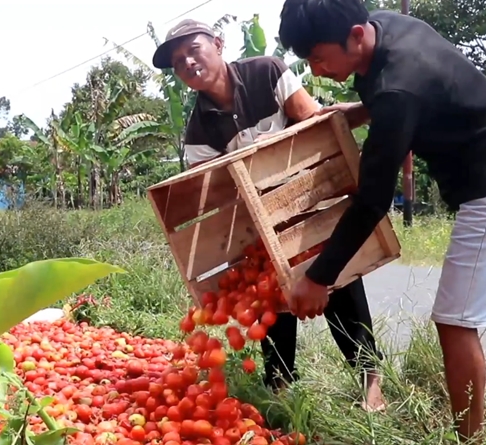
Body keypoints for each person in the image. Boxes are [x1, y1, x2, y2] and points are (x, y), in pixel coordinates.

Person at [151, 18, 386, 411]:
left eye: (193, 51)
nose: (188, 63)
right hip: (258, 223)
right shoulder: (197, 133)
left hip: (308, 201)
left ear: (218, 44)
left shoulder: (267, 71)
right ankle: (279, 388)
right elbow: (220, 198)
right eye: (178, 62)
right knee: (270, 298)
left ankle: (371, 379)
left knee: (339, 282)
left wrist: (272, 148)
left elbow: (312, 121)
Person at [277, 0, 486, 438]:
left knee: (455, 319)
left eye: (318, 57)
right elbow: (411, 91)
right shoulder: (389, 27)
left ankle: (470, 437)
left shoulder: (395, 89)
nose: (316, 71)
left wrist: (319, 278)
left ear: (355, 35)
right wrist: (357, 110)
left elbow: (371, 202)